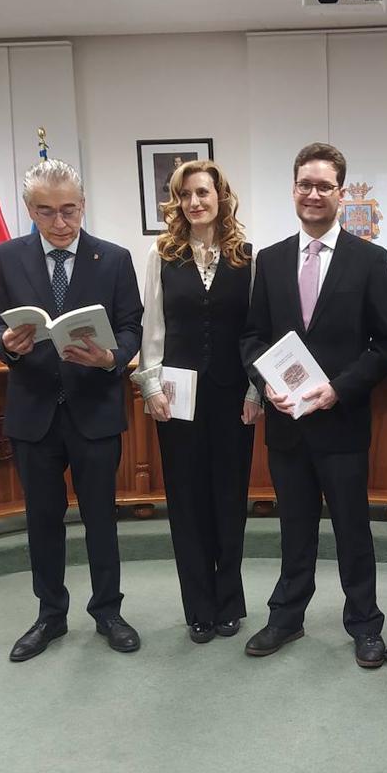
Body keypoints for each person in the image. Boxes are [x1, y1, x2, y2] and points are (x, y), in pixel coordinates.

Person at [239, 142, 387, 668]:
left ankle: (365, 624)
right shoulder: (270, 259)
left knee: (353, 529)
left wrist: (339, 388)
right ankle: (286, 618)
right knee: (294, 528)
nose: (313, 194)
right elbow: (253, 338)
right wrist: (265, 383)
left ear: (340, 194)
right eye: (304, 185)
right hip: (287, 424)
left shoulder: (369, 259)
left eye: (324, 186)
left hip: (343, 421)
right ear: (293, 190)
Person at [0, 159, 144, 662]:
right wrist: (5, 343)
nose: (60, 222)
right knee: (42, 519)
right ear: (31, 210)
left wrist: (112, 357)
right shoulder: (6, 257)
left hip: (94, 409)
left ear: (83, 205)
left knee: (101, 517)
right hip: (33, 413)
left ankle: (108, 612)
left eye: (69, 210)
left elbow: (131, 326)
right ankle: (50, 616)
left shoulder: (113, 259)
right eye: (47, 212)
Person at [132, 160, 261, 644]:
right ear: (177, 201)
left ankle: (229, 602)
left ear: (220, 196)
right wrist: (149, 386)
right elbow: (153, 327)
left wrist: (256, 389)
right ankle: (199, 608)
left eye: (203, 192)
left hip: (233, 396)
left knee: (230, 499)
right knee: (186, 502)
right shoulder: (161, 254)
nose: (195, 202)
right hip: (176, 397)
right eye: (186, 195)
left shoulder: (247, 256)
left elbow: (255, 332)